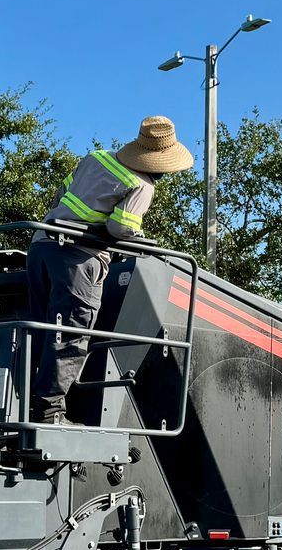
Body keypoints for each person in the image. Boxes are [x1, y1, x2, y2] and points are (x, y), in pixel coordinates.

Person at [26, 116, 193, 424]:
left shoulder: (93, 158)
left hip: (40, 246)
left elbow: (59, 196)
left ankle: (27, 404)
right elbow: (121, 227)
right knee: (72, 332)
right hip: (78, 258)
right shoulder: (142, 184)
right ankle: (49, 413)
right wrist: (144, 242)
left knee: (41, 328)